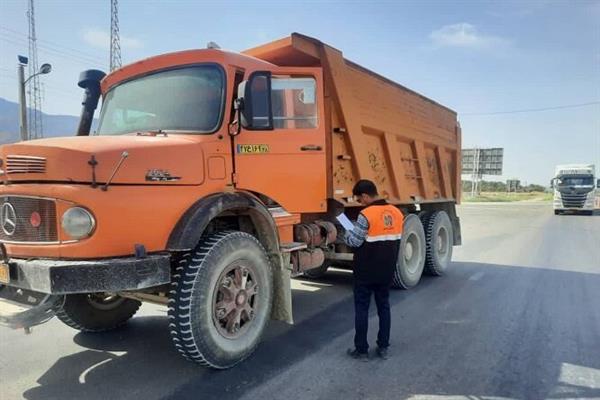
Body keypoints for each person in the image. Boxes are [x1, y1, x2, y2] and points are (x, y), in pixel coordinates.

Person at [344, 179, 404, 361]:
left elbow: (354, 241)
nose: (360, 203)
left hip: (365, 271)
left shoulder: (366, 214)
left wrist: (348, 231)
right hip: (386, 270)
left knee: (362, 308)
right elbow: (395, 241)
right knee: (384, 307)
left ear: (365, 196)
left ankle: (361, 350)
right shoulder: (397, 213)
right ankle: (383, 347)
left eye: (360, 200)